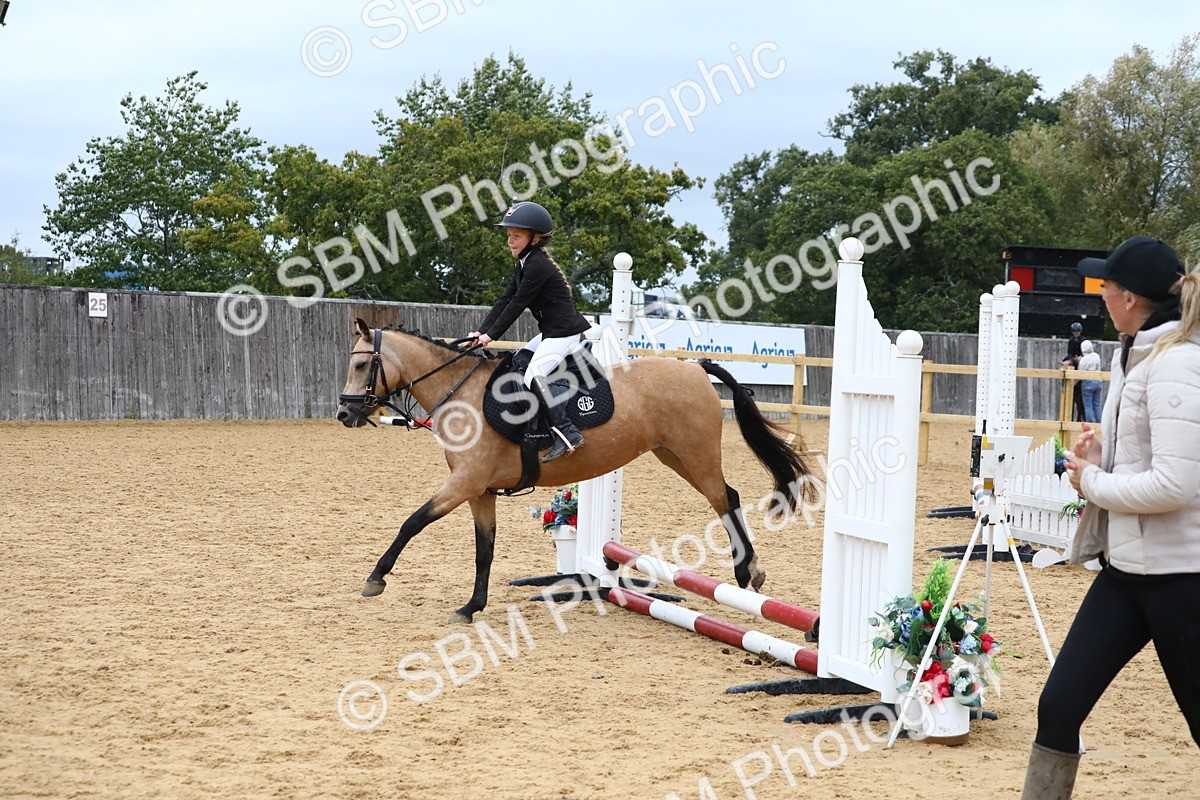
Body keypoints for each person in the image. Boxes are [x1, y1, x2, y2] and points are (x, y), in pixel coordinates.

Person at [1022, 235, 1200, 799]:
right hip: (1125, 574)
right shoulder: (1134, 352)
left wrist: (1093, 482)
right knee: (1059, 706)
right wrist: (1102, 460)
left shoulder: (1175, 365)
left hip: (1182, 581)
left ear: (1129, 298)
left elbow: (1176, 484)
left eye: (1105, 285)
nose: (1099, 294)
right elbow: (1146, 462)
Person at [468, 201, 592, 462]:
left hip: (564, 333)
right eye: (509, 235)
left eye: (516, 236)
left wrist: (492, 336)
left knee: (533, 376)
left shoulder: (537, 266)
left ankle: (568, 433)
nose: (510, 241)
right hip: (551, 332)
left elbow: (518, 304)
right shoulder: (525, 263)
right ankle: (531, 427)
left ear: (535, 238)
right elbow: (505, 299)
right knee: (519, 361)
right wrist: (481, 332)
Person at [1061, 322, 1086, 422]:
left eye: (1078, 331)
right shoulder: (1071, 340)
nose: (1076, 333)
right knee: (1066, 359)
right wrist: (1072, 358)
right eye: (1075, 332)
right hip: (1073, 357)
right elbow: (1069, 352)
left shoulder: (1083, 340)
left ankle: (1081, 419)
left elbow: (1084, 351)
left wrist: (1080, 357)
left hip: (1081, 357)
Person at [1076, 340, 1103, 424]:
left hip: (1087, 383)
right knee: (1097, 404)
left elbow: (1080, 372)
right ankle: (1100, 423)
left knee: (1088, 405)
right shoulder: (1096, 356)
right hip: (1098, 381)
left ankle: (1089, 423)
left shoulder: (1084, 359)